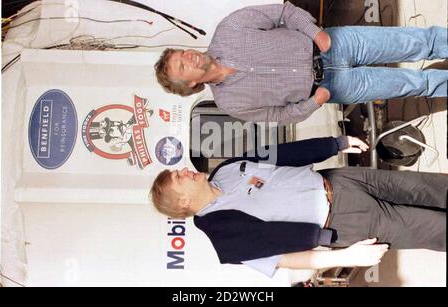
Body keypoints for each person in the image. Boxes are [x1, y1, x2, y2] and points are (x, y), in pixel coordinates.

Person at [149, 135, 447, 277]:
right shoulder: (226, 240)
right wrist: (348, 256)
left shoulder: (225, 170)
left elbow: (281, 154)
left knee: (431, 187)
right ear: (184, 201)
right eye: (180, 177)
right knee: (435, 229)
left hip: (342, 180)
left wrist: (336, 144)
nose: (185, 170)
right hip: (344, 221)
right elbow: (289, 259)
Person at [154, 2, 448, 126]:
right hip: (333, 88)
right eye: (183, 66)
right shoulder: (232, 104)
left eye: (183, 53)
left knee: (418, 42)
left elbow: (284, 12)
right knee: (414, 84)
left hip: (334, 44)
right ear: (191, 84)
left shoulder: (229, 29)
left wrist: (316, 34)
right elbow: (281, 116)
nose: (189, 56)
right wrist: (315, 103)